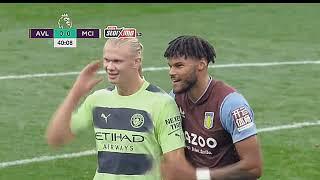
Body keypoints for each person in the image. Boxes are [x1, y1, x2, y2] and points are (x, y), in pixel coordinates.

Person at [46, 37, 192, 180]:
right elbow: (56, 138)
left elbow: (176, 165)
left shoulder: (162, 103)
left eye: (117, 61)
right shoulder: (98, 99)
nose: (109, 67)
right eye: (107, 60)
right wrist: (75, 93)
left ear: (136, 62)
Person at [161, 35, 263, 180]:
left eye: (179, 66)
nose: (171, 72)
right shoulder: (175, 98)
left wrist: (198, 176)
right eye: (170, 66)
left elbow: (253, 167)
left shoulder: (232, 105)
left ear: (201, 65)